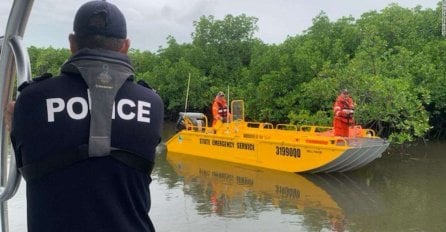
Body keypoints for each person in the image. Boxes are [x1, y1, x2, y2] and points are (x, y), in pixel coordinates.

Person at [10, 1, 163, 231]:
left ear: (72, 43)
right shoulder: (152, 104)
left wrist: (14, 124)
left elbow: (24, 160)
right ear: (126, 46)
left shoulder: (31, 100)